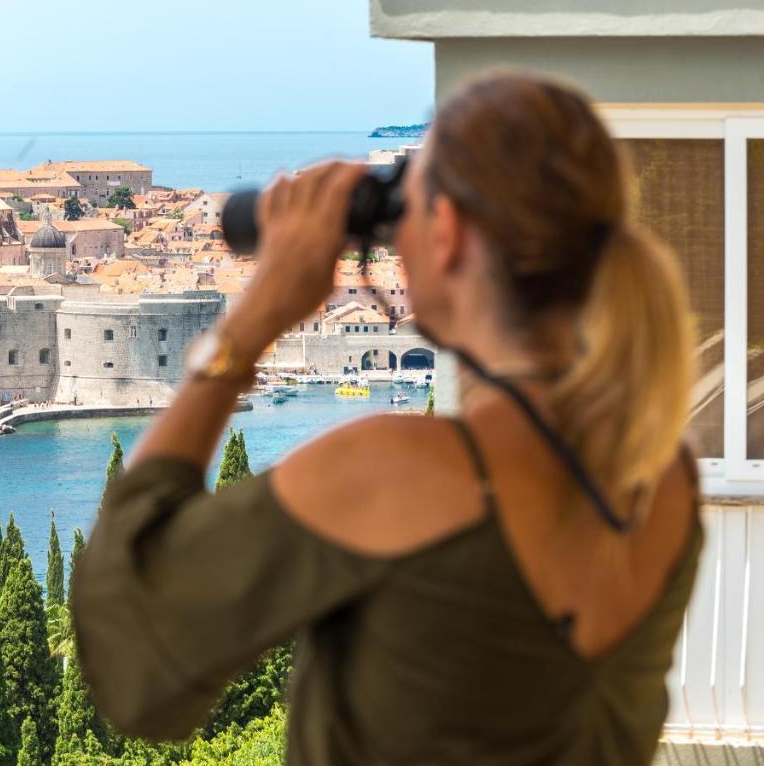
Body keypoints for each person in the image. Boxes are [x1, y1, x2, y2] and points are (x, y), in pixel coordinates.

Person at [72, 72, 701, 765]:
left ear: (451, 233)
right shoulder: (663, 479)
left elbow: (132, 659)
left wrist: (248, 324)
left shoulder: (401, 472)